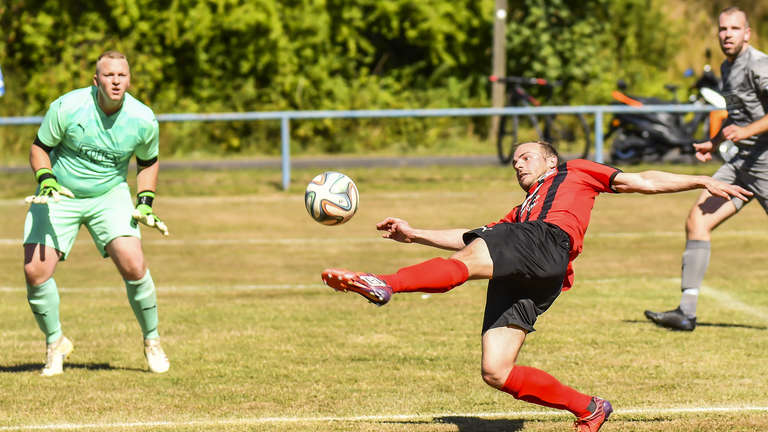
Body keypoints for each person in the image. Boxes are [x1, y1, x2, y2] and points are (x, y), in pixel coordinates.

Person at [321, 141, 751, 431]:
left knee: (467, 263)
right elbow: (472, 237)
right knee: (496, 370)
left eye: (526, 157)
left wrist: (697, 180)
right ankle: (589, 408)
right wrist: (413, 234)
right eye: (513, 162)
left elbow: (642, 180)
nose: (518, 164)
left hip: (548, 241)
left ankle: (385, 284)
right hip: (533, 267)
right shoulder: (518, 212)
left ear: (550, 160)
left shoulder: (576, 171)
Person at [23, 50, 171, 376]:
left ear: (129, 80)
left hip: (109, 194)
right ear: (96, 80)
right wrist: (45, 180)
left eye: (122, 75)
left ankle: (152, 340)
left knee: (134, 264)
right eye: (108, 75)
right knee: (35, 272)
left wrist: (145, 202)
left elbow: (148, 162)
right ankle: (55, 343)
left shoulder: (143, 118)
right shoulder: (67, 107)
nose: (116, 81)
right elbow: (39, 148)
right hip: (60, 192)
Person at [644, 6, 768, 331]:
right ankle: (686, 312)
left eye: (734, 29)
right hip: (741, 165)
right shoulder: (728, 68)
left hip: (765, 163)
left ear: (747, 33)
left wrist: (745, 132)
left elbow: (754, 122)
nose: (727, 34)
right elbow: (739, 115)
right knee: (697, 220)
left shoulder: (759, 64)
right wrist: (714, 142)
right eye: (723, 29)